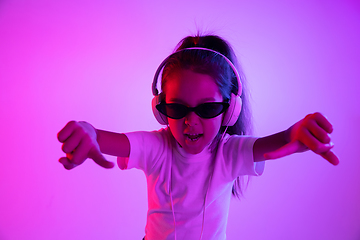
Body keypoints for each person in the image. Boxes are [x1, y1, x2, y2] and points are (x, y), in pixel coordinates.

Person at [57, 35, 339, 240]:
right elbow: (111, 140)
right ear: (160, 108)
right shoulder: (156, 147)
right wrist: (89, 132)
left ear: (230, 110)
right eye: (177, 108)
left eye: (207, 108)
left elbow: (270, 143)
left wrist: (293, 134)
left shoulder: (229, 154)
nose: (191, 121)